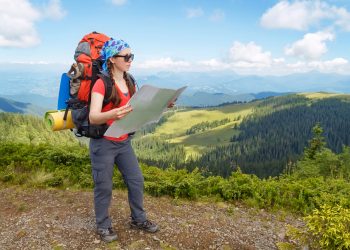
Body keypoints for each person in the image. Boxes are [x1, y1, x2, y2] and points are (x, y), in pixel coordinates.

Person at [89, 38, 159, 243]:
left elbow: (137, 107)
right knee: (104, 186)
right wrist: (114, 113)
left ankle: (138, 219)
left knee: (136, 180)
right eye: (126, 56)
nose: (130, 60)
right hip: (103, 143)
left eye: (132, 56)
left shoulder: (130, 80)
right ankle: (103, 225)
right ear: (111, 59)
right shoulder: (101, 83)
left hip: (123, 141)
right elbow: (93, 117)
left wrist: (161, 104)